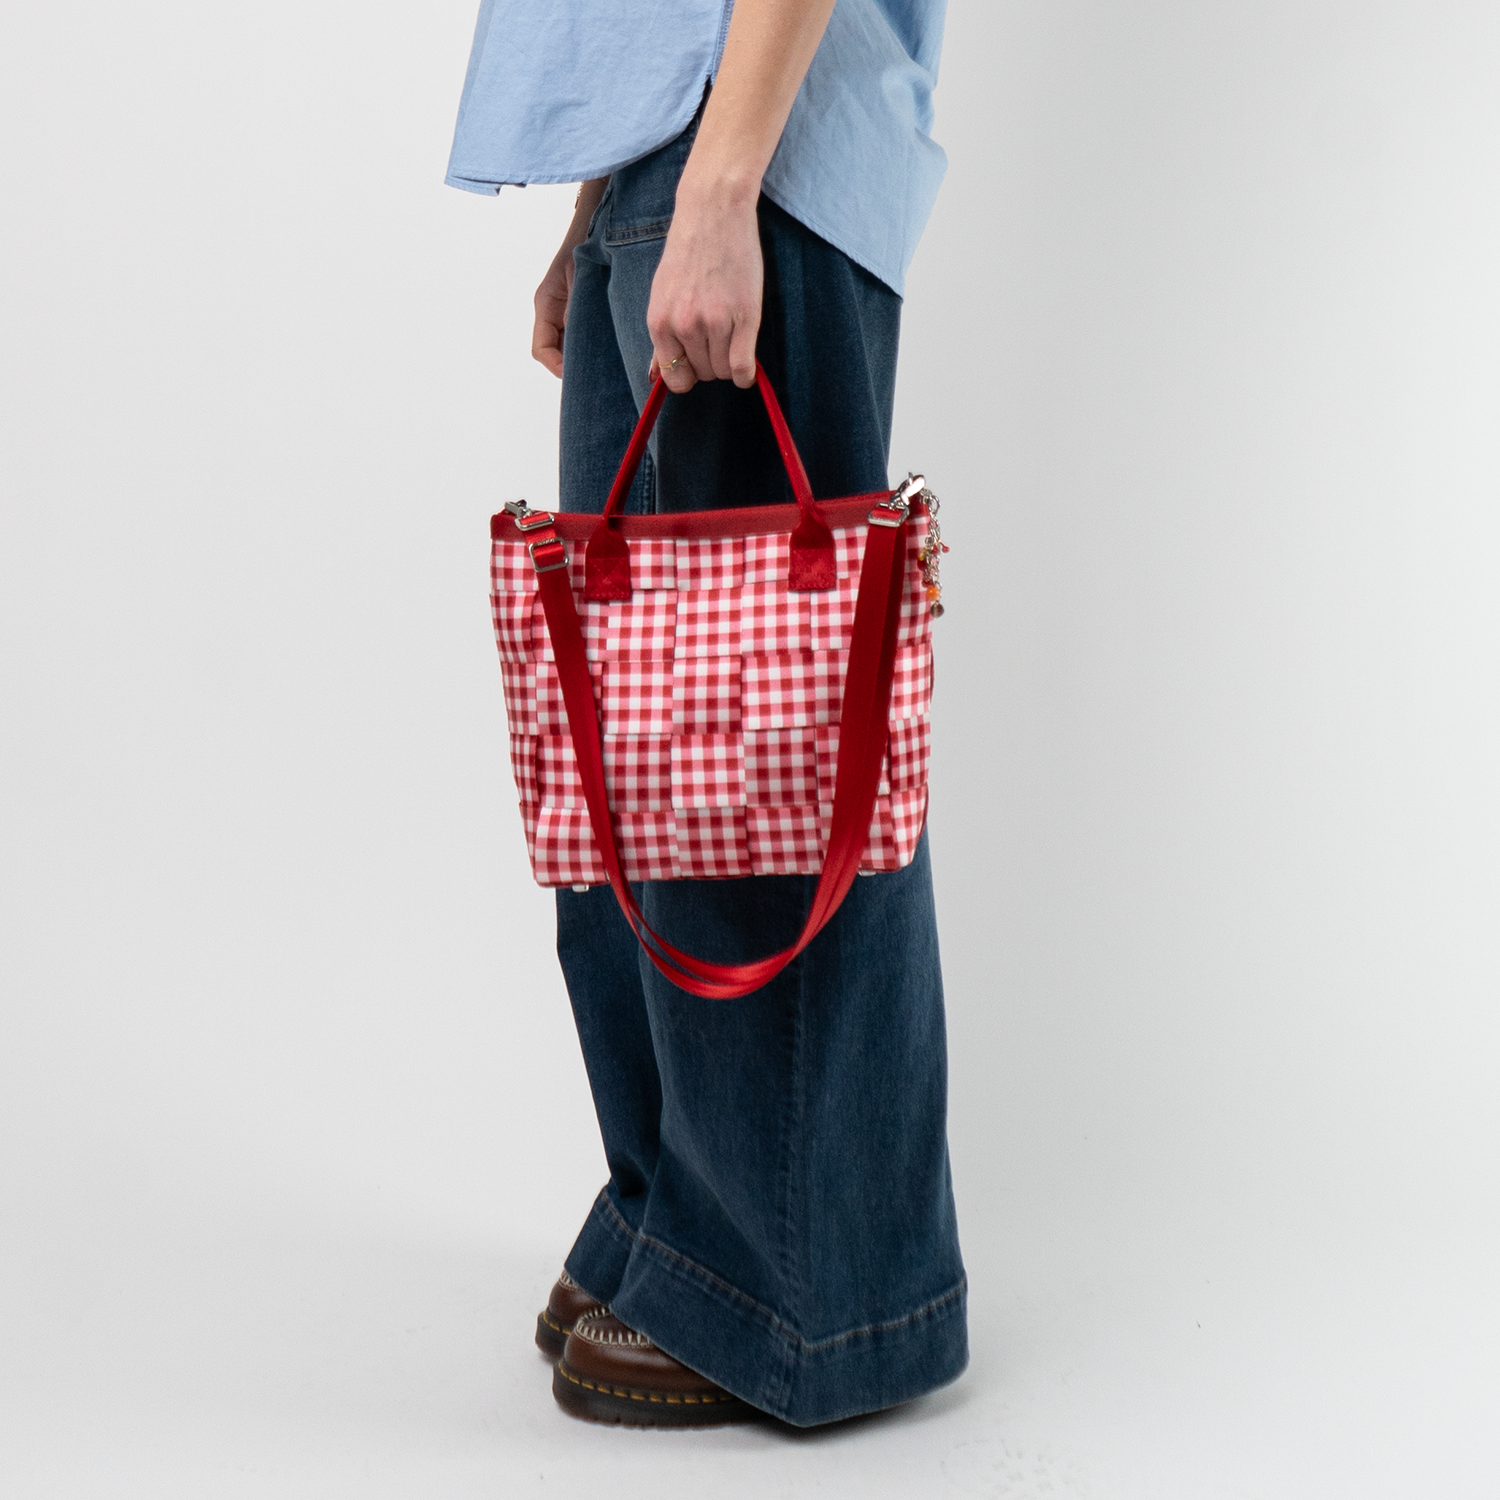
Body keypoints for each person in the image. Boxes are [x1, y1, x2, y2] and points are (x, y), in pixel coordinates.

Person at [446, 0, 965, 1428]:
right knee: (647, 754)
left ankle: (801, 1293)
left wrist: (725, 180)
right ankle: (682, 1225)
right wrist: (604, 202)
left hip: (751, 150)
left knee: (767, 773)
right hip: (672, 160)